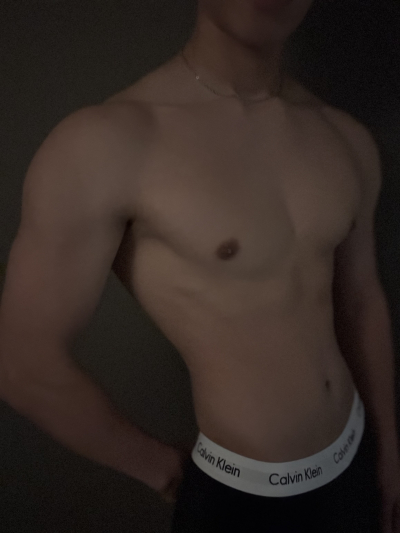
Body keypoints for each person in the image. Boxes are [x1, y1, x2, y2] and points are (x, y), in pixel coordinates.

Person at [0, 0, 391, 531]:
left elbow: (362, 302)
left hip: (355, 459)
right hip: (241, 497)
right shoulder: (106, 143)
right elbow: (22, 364)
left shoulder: (345, 137)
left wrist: (390, 452)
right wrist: (162, 471)